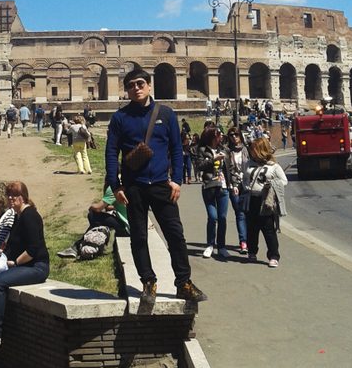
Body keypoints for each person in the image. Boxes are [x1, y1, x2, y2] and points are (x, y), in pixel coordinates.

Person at [105, 68, 206, 304]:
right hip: (134, 188)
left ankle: (183, 282)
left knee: (176, 236)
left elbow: (176, 150)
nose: (136, 88)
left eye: (140, 83)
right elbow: (111, 152)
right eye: (130, 85)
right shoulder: (120, 118)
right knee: (139, 237)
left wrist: (177, 180)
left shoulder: (166, 114)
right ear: (126, 90)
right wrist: (115, 185)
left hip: (162, 185)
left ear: (149, 85)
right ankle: (148, 282)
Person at [0, 181, 50, 353]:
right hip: (23, 265)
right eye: (8, 195)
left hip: (37, 267)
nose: (10, 198)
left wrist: (15, 263)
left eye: (14, 195)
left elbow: (33, 249)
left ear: (23, 197)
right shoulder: (17, 216)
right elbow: (10, 246)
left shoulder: (30, 215)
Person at [243, 137, 288, 268]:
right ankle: (252, 252)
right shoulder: (249, 164)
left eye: (254, 150)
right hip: (252, 199)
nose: (252, 153)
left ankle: (273, 256)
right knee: (252, 228)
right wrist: (245, 186)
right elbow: (245, 178)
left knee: (268, 229)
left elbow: (284, 181)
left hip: (266, 201)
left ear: (261, 150)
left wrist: (273, 184)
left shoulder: (273, 166)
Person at [197, 127, 230, 259]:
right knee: (212, 217)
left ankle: (221, 246)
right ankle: (210, 245)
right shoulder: (202, 150)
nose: (221, 136)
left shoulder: (225, 149)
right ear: (212, 137)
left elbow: (230, 167)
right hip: (209, 186)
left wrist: (232, 183)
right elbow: (199, 166)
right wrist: (214, 159)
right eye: (218, 135)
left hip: (223, 186)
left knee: (222, 218)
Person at [224, 128, 250, 254]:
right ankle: (243, 241)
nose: (234, 137)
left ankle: (250, 240)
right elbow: (226, 169)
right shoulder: (227, 151)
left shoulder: (247, 149)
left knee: (249, 213)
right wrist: (230, 183)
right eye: (231, 135)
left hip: (247, 184)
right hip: (233, 184)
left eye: (236, 134)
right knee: (240, 213)